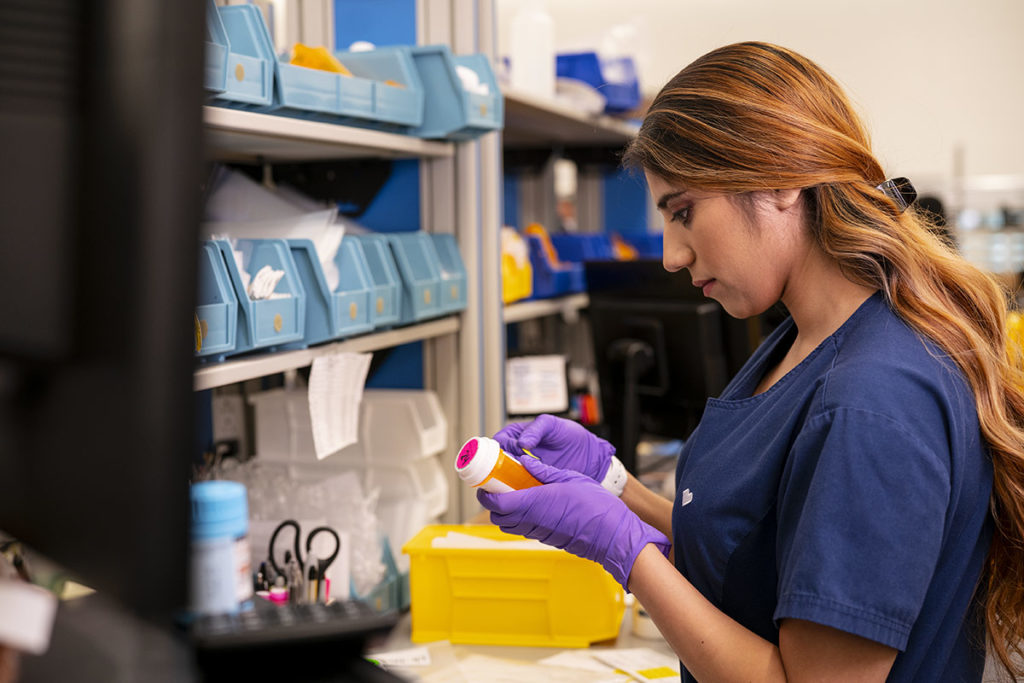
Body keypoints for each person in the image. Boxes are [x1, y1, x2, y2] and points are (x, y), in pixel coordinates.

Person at [478, 41, 1024, 682]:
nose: (670, 256)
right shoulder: (803, 340)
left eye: (683, 212)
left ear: (782, 180)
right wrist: (615, 490)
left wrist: (627, 556)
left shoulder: (873, 401)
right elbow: (756, 559)